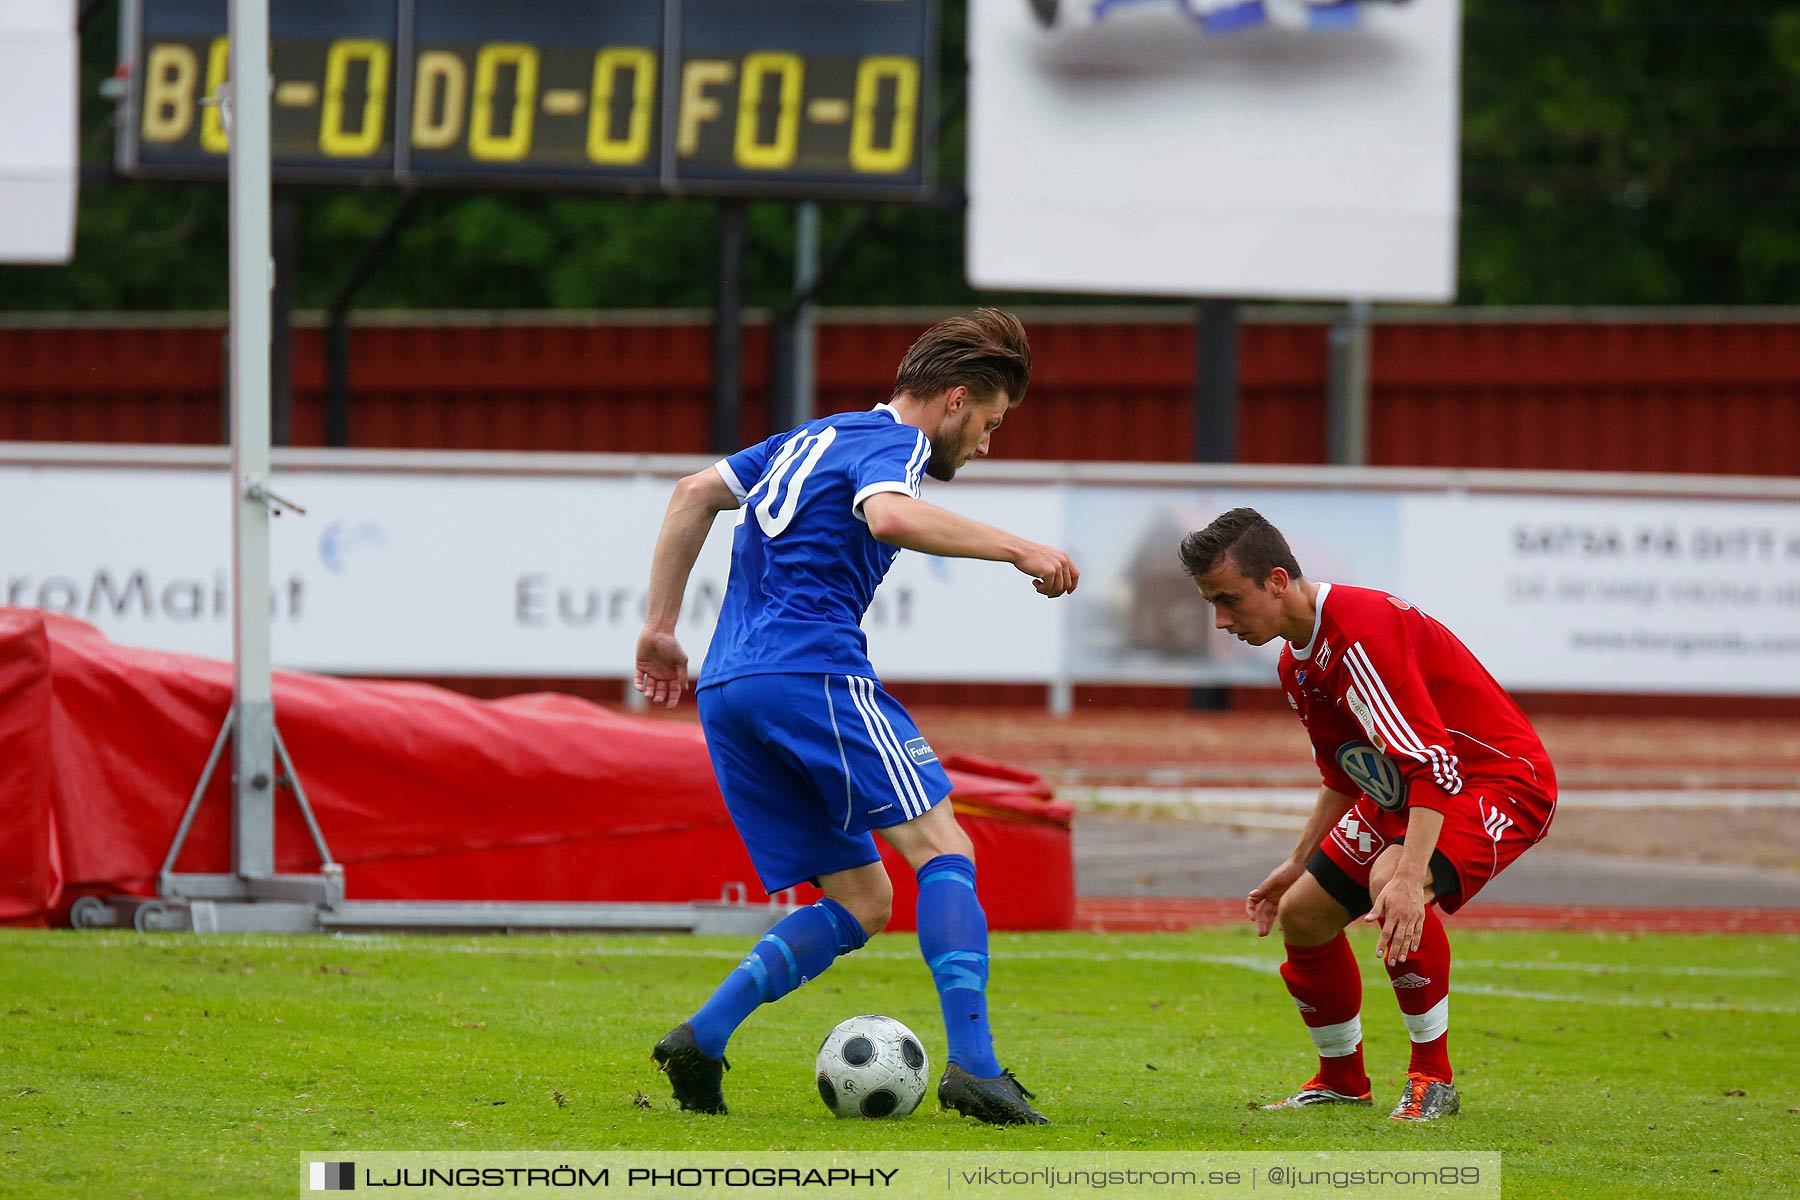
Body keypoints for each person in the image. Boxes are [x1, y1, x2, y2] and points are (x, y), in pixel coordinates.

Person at [634, 309, 1078, 1125]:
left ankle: (702, 1037)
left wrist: (662, 627)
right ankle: (976, 1069)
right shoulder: (898, 446)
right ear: (953, 400)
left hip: (731, 690)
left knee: (864, 899)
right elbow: (891, 516)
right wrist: (1020, 548)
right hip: (810, 672)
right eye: (989, 422)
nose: (986, 442)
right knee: (944, 846)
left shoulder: (808, 437)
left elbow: (694, 492)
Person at [1180, 508, 1556, 1122]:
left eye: (1228, 599)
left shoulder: (1360, 634)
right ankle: (1342, 1080)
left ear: (1277, 581)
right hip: (1410, 786)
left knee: (1391, 882)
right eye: (1211, 603)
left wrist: (1410, 876)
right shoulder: (1295, 663)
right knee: (1302, 915)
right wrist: (1295, 862)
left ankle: (1433, 1078)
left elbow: (1433, 763)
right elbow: (1345, 773)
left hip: (1498, 780)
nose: (1221, 620)